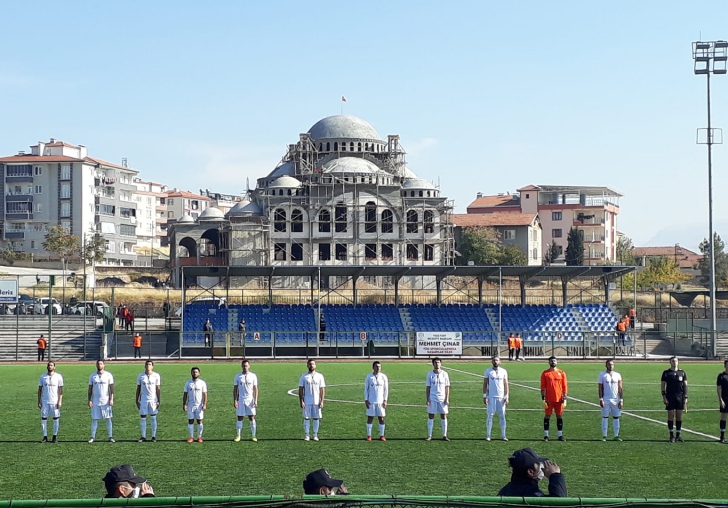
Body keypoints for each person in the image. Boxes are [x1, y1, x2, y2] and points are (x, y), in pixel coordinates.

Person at [497, 447, 567, 497]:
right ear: (530, 472)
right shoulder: (531, 495)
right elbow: (559, 503)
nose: (542, 466)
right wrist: (555, 476)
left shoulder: (505, 490)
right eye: (539, 464)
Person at [541, 356, 568, 442]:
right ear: (549, 362)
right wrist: (543, 399)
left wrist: (565, 397)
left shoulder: (562, 373)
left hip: (559, 399)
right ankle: (546, 436)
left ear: (557, 362)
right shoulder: (545, 373)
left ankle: (560, 435)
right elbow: (543, 387)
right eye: (551, 361)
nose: (553, 362)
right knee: (547, 416)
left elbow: (564, 386)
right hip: (549, 399)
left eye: (554, 361)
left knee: (559, 416)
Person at [662, 356, 688, 442]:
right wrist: (664, 397)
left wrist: (686, 397)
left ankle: (678, 435)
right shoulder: (666, 373)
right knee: (670, 416)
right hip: (670, 396)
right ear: (670, 362)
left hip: (680, 397)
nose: (674, 362)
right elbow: (663, 385)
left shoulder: (682, 372)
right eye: (673, 361)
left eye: (676, 361)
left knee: (679, 417)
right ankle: (671, 436)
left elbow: (685, 386)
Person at [299, 358, 326, 441]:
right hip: (307, 401)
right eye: (310, 364)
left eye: (313, 364)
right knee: (306, 418)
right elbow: (300, 389)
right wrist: (301, 401)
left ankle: (315, 435)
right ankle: (307, 435)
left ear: (315, 365)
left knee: (316, 418)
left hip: (316, 401)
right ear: (307, 365)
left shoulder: (320, 376)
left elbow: (322, 389)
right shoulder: (304, 376)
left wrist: (321, 401)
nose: (311, 365)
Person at [88, 360, 115, 443]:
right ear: (96, 365)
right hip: (96, 400)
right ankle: (92, 437)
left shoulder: (108, 375)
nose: (99, 365)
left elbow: (111, 388)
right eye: (98, 364)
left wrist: (111, 399)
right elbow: (90, 389)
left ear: (104, 365)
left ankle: (110, 437)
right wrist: (89, 400)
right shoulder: (93, 376)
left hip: (106, 400)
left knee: (108, 418)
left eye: (101, 364)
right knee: (94, 419)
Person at [483, 356, 509, 441]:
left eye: (497, 360)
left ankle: (503, 435)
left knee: (502, 416)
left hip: (501, 398)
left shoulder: (503, 371)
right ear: (492, 362)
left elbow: (506, 384)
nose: (495, 362)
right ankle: (488, 435)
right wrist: (485, 396)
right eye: (494, 360)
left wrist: (506, 396)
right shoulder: (488, 371)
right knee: (490, 416)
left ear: (500, 362)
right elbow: (485, 384)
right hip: (491, 397)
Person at [233, 359, 258, 442]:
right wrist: (235, 400)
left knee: (251, 417)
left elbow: (255, 389)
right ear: (241, 366)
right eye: (244, 366)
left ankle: (253, 435)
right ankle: (238, 436)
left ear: (249, 366)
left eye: (246, 366)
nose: (245, 367)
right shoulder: (238, 376)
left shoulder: (253, 376)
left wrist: (256, 400)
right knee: (240, 417)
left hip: (250, 400)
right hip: (241, 400)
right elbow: (235, 389)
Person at [598, 359, 623, 441]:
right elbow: (600, 388)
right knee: (605, 417)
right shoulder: (602, 375)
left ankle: (616, 435)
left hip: (616, 400)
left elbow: (620, 388)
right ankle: (604, 436)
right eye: (609, 364)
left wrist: (621, 399)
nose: (611, 366)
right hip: (606, 399)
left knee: (616, 417)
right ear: (606, 365)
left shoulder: (618, 375)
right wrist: (601, 399)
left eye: (612, 364)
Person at [425, 357, 450, 441]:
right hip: (432, 398)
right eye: (435, 362)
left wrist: (447, 398)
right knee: (431, 416)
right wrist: (428, 399)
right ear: (433, 364)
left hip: (442, 399)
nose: (437, 364)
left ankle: (444, 435)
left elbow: (447, 387)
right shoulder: (430, 374)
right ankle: (429, 435)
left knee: (443, 415)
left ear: (441, 363)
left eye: (438, 362)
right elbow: (428, 388)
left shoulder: (445, 374)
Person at [38, 361, 63, 443]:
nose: (50, 366)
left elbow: (60, 390)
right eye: (49, 365)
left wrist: (60, 401)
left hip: (54, 401)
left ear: (54, 367)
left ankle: (54, 436)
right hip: (45, 401)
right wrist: (39, 401)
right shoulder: (42, 377)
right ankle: (45, 437)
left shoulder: (58, 377)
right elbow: (40, 390)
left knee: (56, 418)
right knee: (44, 418)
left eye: (51, 365)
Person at [136, 360, 161, 442]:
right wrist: (137, 399)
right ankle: (143, 436)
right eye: (147, 364)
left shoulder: (156, 376)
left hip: (153, 400)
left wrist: (158, 400)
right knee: (143, 417)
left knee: (153, 417)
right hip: (143, 399)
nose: (148, 366)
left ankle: (153, 436)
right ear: (145, 366)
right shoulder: (141, 376)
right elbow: (138, 388)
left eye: (150, 364)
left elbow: (158, 388)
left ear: (152, 366)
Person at [364, 360, 389, 441]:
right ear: (373, 367)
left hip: (380, 402)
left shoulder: (383, 377)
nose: (378, 368)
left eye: (379, 366)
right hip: (371, 401)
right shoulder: (369, 377)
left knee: (381, 418)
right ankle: (369, 435)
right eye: (376, 366)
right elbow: (366, 389)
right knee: (370, 418)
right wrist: (366, 400)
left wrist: (385, 400)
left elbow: (386, 389)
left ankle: (382, 435)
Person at [183, 366, 207, 443]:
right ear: (191, 373)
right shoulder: (188, 383)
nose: (195, 373)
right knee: (190, 421)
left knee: (199, 421)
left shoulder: (202, 383)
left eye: (196, 372)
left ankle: (199, 437)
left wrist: (205, 404)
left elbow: (205, 394)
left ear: (199, 373)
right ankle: (191, 437)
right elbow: (185, 394)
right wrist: (184, 404)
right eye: (193, 372)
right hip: (190, 405)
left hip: (199, 405)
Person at [717, 360, 728, 443]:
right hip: (725, 398)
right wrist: (721, 399)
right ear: (725, 366)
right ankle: (722, 436)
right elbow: (719, 388)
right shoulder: (721, 376)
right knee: (724, 417)